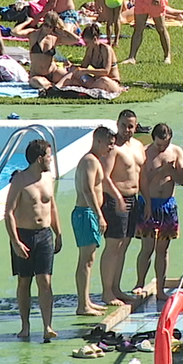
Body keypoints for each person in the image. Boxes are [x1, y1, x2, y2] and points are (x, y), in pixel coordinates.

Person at [6, 139, 62, 341]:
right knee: (24, 281)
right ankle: (25, 326)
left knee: (45, 280)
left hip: (44, 234)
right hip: (24, 235)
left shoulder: (49, 178)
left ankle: (47, 326)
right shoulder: (20, 180)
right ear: (40, 159)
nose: (50, 159)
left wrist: (59, 233)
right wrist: (15, 241)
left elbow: (52, 206)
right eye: (48, 156)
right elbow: (9, 213)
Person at [133, 124, 183, 299]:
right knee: (147, 247)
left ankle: (161, 289)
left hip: (168, 205)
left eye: (166, 144)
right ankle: (139, 283)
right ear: (153, 139)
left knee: (163, 249)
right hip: (149, 202)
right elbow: (142, 180)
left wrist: (172, 171)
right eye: (159, 145)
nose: (163, 148)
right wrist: (161, 171)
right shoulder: (145, 152)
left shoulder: (176, 152)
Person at [101, 109, 144, 306]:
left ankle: (116, 288)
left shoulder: (138, 145)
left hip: (134, 200)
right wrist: (118, 198)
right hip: (116, 199)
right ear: (117, 124)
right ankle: (107, 291)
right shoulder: (114, 148)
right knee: (113, 246)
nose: (127, 130)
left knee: (124, 246)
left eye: (131, 126)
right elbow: (105, 177)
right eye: (123, 125)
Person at [72, 126, 114, 316]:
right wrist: (99, 215)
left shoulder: (94, 160)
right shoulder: (89, 161)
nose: (111, 148)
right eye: (108, 144)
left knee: (89, 258)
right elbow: (88, 190)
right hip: (86, 212)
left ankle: (87, 300)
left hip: (89, 212)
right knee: (86, 259)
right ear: (98, 141)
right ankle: (82, 305)